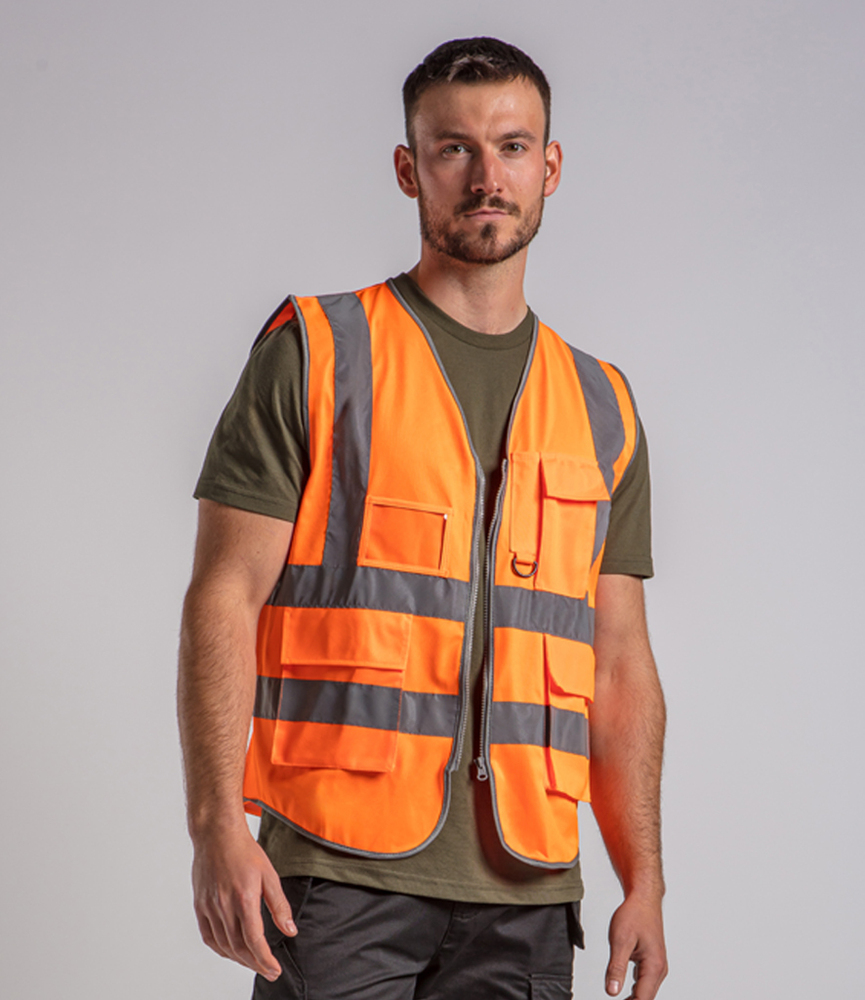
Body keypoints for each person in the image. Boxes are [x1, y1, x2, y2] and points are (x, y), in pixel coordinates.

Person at [178, 36, 667, 1000]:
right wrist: (214, 826)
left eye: (512, 147)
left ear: (549, 167)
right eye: (454, 149)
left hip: (528, 892)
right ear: (409, 169)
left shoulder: (601, 404)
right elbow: (222, 597)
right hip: (337, 876)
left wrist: (643, 879)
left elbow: (619, 664)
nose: (487, 177)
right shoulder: (318, 352)